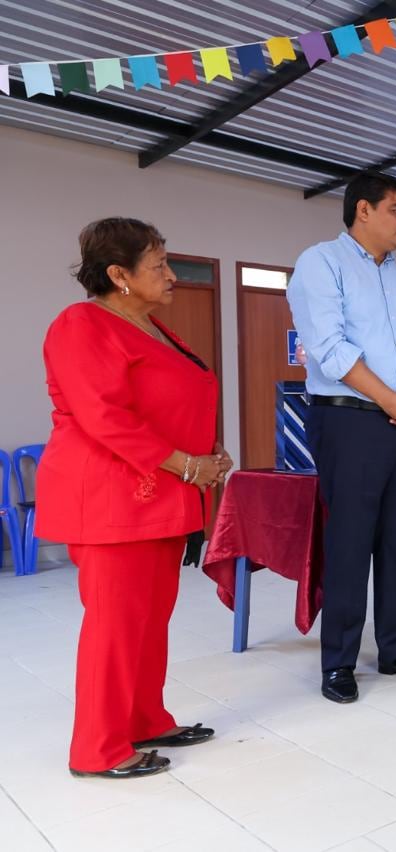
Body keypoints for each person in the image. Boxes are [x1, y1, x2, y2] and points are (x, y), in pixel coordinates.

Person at [39, 218, 233, 779]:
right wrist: (189, 464)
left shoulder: (150, 326)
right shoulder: (82, 324)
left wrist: (208, 453)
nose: (173, 276)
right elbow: (105, 416)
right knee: (115, 623)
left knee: (149, 619)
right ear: (119, 275)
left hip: (161, 498)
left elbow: (171, 402)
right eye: (160, 266)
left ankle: (145, 717)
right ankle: (97, 750)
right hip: (112, 497)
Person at [287, 172, 396, 703]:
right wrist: (390, 400)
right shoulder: (321, 263)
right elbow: (330, 349)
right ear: (363, 210)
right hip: (350, 420)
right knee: (351, 541)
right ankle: (339, 662)